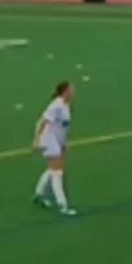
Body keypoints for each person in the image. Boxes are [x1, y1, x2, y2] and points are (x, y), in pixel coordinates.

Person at [33, 81, 78, 216]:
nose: (73, 92)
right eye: (71, 89)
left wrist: (63, 143)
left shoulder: (66, 105)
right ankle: (62, 204)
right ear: (65, 92)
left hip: (57, 140)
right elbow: (42, 122)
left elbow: (62, 127)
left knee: (54, 169)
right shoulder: (56, 106)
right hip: (49, 139)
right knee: (57, 172)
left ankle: (39, 194)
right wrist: (36, 140)